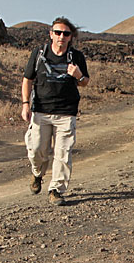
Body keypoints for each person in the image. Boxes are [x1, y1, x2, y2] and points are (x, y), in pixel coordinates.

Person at [21, 17, 90, 205]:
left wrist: (78, 75)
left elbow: (85, 82)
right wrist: (25, 104)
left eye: (66, 34)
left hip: (66, 113)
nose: (61, 37)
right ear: (51, 34)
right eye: (58, 32)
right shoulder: (39, 53)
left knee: (63, 153)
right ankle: (37, 173)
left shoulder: (76, 57)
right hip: (41, 111)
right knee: (36, 149)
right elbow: (27, 79)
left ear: (70, 37)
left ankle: (56, 190)